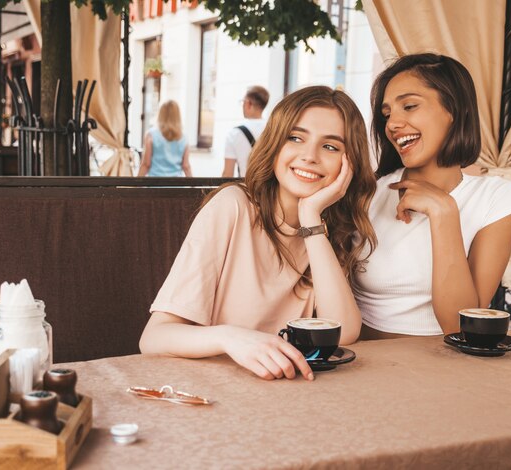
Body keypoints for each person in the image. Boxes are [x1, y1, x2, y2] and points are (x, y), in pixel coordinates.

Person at [140, 85, 376, 380]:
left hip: (285, 396)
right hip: (211, 388)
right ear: (275, 143)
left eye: (330, 146)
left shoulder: (327, 228)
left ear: (348, 164)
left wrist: (310, 217)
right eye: (295, 138)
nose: (310, 156)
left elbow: (343, 331)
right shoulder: (232, 207)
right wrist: (230, 337)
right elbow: (153, 338)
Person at [354, 53, 511, 339]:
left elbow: (461, 326)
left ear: (454, 110)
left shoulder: (498, 197)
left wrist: (443, 211)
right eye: (387, 114)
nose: (393, 124)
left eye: (409, 106)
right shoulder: (369, 193)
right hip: (367, 366)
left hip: (449, 370)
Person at [221, 85, 269, 177]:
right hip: (270, 189)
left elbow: (227, 173)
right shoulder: (274, 129)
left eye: (242, 102)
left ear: (248, 103)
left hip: (246, 187)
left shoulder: (235, 134)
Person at [138, 100, 192, 177]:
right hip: (177, 186)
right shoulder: (184, 138)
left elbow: (146, 164)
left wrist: (135, 184)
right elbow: (186, 166)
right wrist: (194, 186)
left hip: (155, 185)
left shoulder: (151, 135)